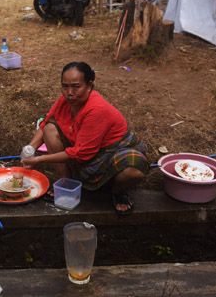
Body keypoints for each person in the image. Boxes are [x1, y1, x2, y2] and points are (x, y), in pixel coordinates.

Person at [21, 61, 149, 215]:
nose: (69, 92)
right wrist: (29, 149)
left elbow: (81, 153)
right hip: (83, 147)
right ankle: (65, 182)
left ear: (89, 86)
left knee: (133, 171)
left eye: (76, 86)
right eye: (65, 86)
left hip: (111, 151)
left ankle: (118, 192)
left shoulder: (96, 109)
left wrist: (38, 160)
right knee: (50, 129)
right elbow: (46, 122)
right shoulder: (66, 100)